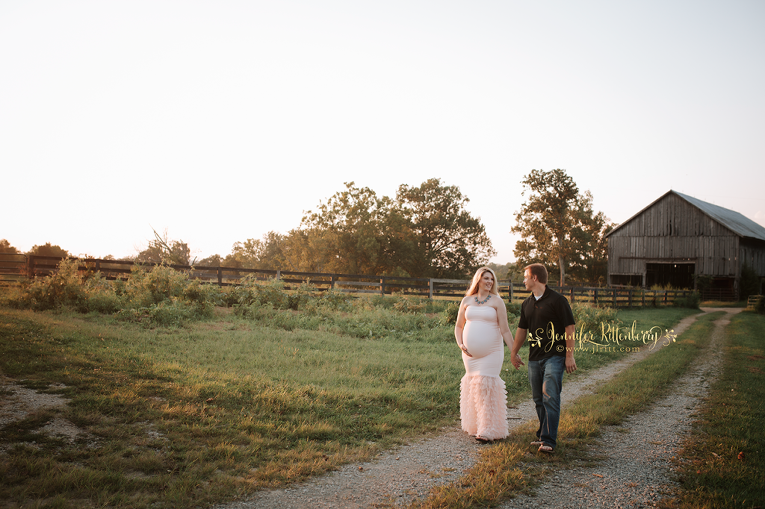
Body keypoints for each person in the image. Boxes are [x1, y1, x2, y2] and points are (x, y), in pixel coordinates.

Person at [510, 263, 576, 454]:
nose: (523, 280)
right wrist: (514, 353)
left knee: (550, 396)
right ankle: (542, 435)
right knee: (538, 399)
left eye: (525, 277)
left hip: (555, 356)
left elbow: (569, 328)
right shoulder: (526, 304)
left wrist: (569, 355)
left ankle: (548, 440)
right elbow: (522, 330)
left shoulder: (558, 300)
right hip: (534, 358)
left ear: (535, 278)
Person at [454, 266, 514, 442]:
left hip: (492, 352)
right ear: (478, 280)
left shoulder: (497, 301)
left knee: (487, 387)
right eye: (486, 278)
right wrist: (460, 344)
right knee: (472, 385)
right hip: (470, 355)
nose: (489, 282)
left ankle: (489, 429)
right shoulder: (467, 301)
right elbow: (458, 326)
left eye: (492, 279)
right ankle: (474, 425)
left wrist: (513, 352)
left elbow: (505, 330)